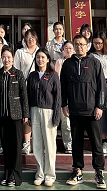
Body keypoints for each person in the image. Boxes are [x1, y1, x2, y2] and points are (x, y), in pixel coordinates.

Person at [60, 35, 107, 189]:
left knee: (96, 143)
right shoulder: (68, 64)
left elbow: (101, 86)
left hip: (92, 111)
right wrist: (64, 104)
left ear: (87, 46)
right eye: (76, 44)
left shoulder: (94, 62)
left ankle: (99, 172)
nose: (79, 47)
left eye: (82, 44)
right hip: (74, 110)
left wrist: (100, 106)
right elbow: (63, 86)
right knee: (76, 142)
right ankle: (77, 170)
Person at [0, 47, 29, 187]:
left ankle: (15, 175)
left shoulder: (18, 74)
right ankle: (7, 173)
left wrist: (25, 114)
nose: (6, 60)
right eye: (4, 57)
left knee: (16, 146)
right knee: (6, 146)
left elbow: (24, 95)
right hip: (2, 116)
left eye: (8, 57)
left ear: (13, 58)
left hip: (16, 115)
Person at [27, 49, 61, 187]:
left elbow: (58, 98)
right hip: (34, 111)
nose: (40, 60)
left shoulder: (53, 75)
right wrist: (28, 114)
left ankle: (50, 175)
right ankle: (40, 174)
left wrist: (56, 117)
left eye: (42, 57)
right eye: (38, 57)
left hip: (48, 112)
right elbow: (28, 96)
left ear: (48, 59)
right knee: (37, 145)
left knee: (50, 145)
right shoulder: (32, 76)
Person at [14, 29, 39, 154]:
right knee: (26, 115)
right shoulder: (20, 52)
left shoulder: (40, 51)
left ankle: (38, 142)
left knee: (37, 114)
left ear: (36, 38)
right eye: (28, 37)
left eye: (32, 37)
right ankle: (27, 142)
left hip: (39, 88)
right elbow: (16, 70)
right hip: (24, 88)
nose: (30, 39)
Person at [54, 40, 75, 154]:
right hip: (63, 94)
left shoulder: (77, 61)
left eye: (70, 48)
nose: (68, 50)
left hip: (76, 94)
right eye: (66, 48)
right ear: (62, 50)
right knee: (66, 121)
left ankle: (76, 143)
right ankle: (68, 144)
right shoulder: (59, 61)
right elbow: (57, 77)